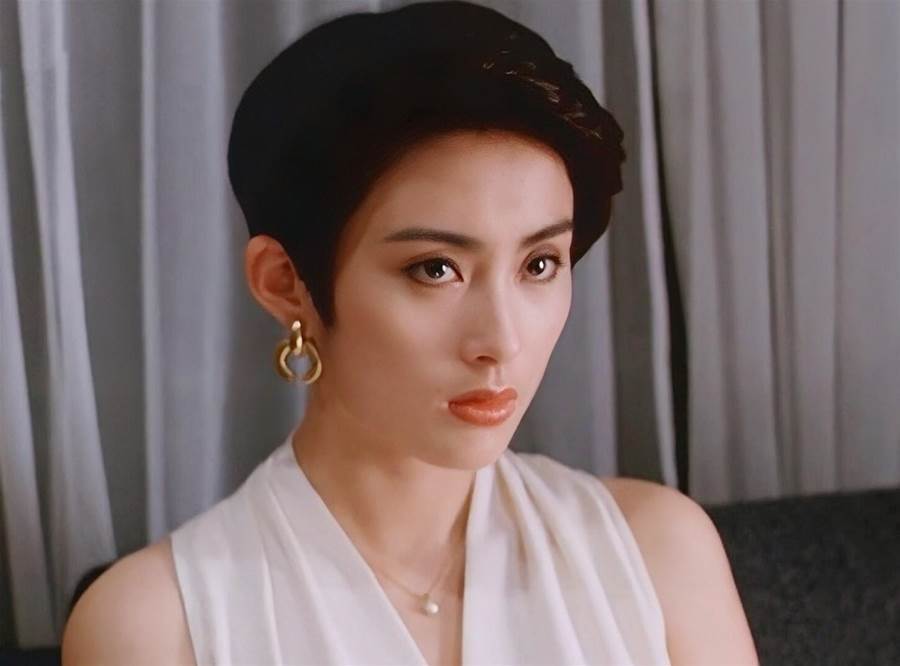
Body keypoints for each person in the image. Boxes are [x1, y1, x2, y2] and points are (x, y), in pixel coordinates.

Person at [62, 2, 758, 664]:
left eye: (539, 264)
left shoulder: (658, 555)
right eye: (435, 269)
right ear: (284, 283)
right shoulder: (155, 627)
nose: (501, 341)